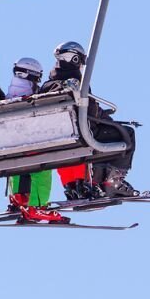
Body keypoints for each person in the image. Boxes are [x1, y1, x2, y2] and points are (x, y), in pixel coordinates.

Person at [42, 40, 138, 199]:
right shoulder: (75, 83)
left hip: (60, 134)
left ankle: (78, 187)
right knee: (127, 134)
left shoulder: (48, 85)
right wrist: (107, 119)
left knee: (108, 134)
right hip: (84, 131)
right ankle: (112, 182)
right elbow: (91, 110)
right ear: (74, 59)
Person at [3, 57, 66, 223]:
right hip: (32, 141)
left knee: (18, 166)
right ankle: (37, 207)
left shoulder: (9, 95)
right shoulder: (30, 94)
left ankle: (18, 199)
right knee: (43, 168)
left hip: (11, 145)